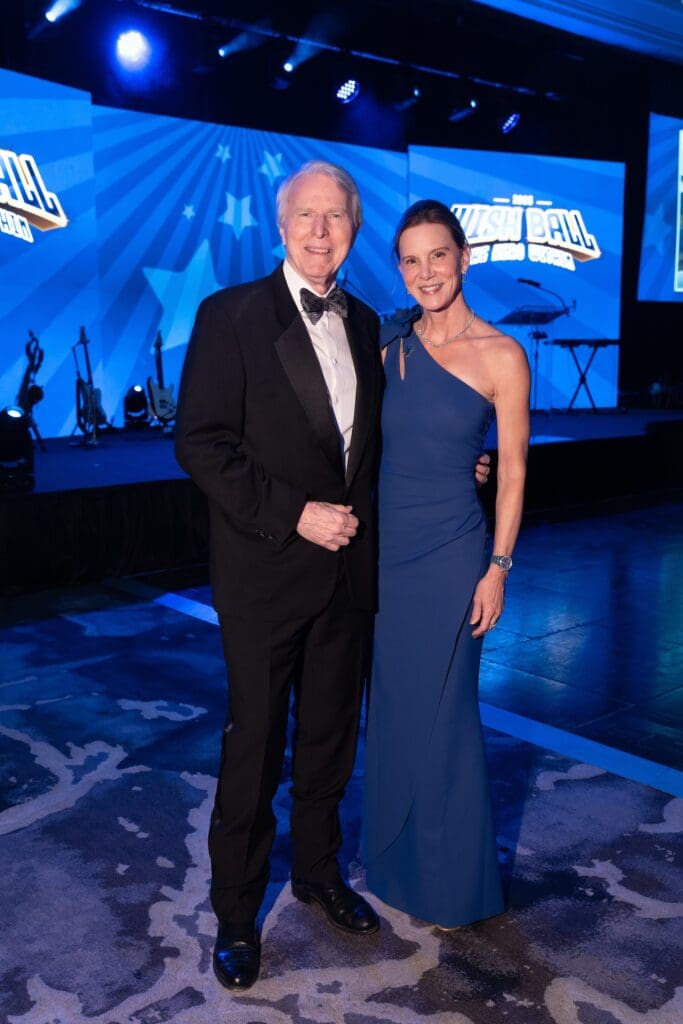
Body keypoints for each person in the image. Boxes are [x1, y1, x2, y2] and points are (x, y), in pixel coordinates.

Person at [364, 199, 530, 929]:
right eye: (409, 259)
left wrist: (497, 566)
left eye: (437, 255)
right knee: (395, 711)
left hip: (455, 555)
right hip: (385, 555)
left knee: (450, 716)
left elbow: (516, 470)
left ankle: (455, 884)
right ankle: (397, 866)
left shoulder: (502, 355)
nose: (424, 272)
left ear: (463, 258)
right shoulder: (387, 347)